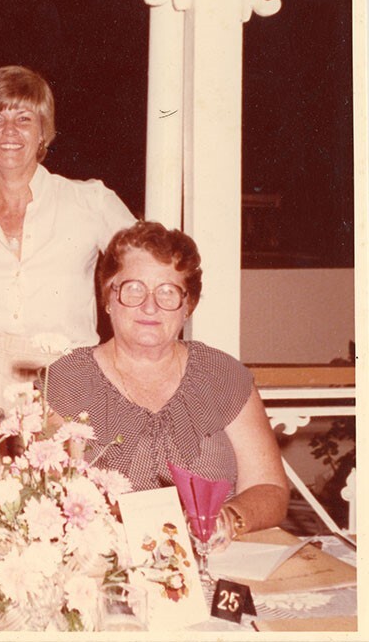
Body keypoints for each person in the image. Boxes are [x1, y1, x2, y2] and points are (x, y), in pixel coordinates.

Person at [46, 221, 289, 540]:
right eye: (134, 289)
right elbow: (47, 496)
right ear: (107, 298)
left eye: (167, 292)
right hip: (105, 561)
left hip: (216, 555)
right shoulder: (66, 380)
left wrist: (228, 520)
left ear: (188, 306)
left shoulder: (223, 375)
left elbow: (269, 487)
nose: (150, 306)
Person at [0, 65, 135, 401]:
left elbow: (149, 271)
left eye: (24, 119)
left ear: (43, 132)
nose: (9, 131)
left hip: (67, 378)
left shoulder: (91, 202)